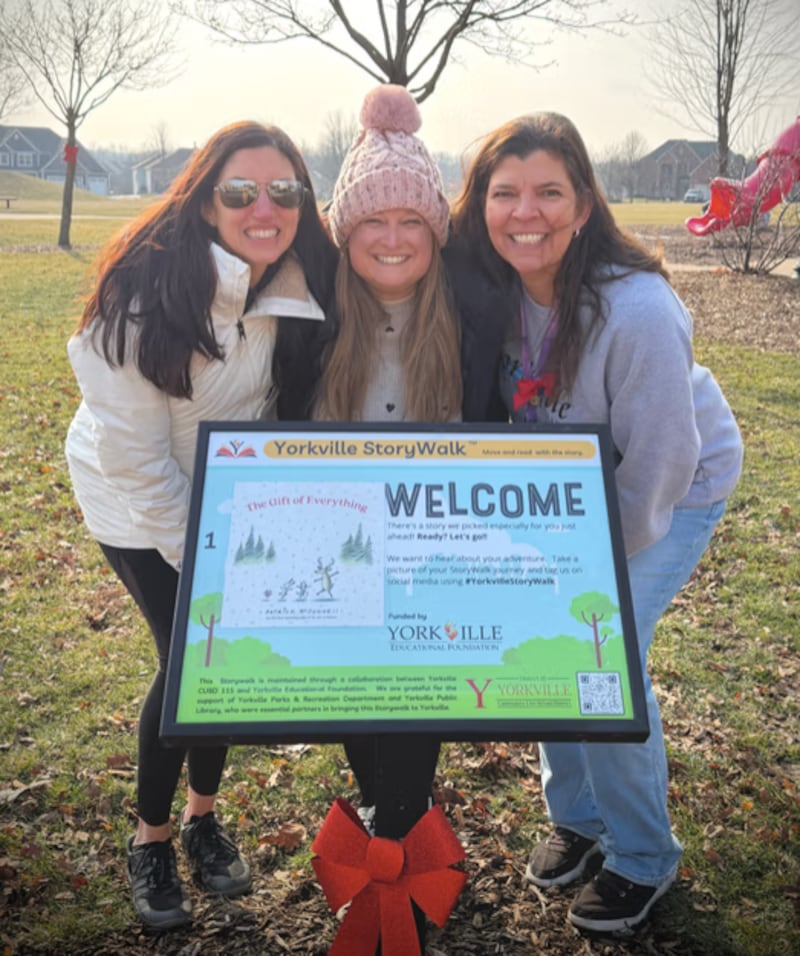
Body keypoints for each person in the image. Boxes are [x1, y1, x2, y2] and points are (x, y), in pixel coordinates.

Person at [448, 112, 743, 933]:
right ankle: (577, 818)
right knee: (544, 653)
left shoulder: (639, 313)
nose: (526, 212)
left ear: (584, 205)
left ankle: (643, 855)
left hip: (672, 487)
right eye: (505, 193)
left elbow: (658, 468)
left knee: (595, 665)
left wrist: (583, 576)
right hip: (566, 499)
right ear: (480, 206)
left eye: (550, 191)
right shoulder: (492, 289)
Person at [65, 120, 337, 930]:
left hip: (231, 493)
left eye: (284, 190)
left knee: (226, 661)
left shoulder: (299, 273)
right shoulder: (140, 297)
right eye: (240, 191)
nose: (265, 207)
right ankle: (150, 839)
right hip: (131, 496)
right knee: (193, 656)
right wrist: (217, 571)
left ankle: (202, 818)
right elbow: (141, 466)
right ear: (205, 198)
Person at [314, 83, 462, 946]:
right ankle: (386, 809)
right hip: (337, 550)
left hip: (436, 555)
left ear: (436, 234)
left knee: (414, 707)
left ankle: (398, 866)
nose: (396, 237)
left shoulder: (469, 324)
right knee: (353, 706)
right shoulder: (314, 326)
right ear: (347, 231)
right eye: (375, 220)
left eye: (414, 219)